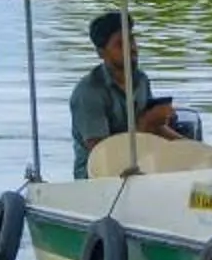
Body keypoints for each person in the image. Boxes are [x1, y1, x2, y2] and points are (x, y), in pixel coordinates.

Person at [69, 9, 177, 179]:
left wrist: (193, 148)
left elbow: (155, 129)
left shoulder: (141, 79)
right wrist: (146, 124)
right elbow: (103, 156)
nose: (132, 48)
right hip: (97, 180)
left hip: (140, 167)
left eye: (132, 40)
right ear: (101, 53)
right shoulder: (88, 93)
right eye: (121, 44)